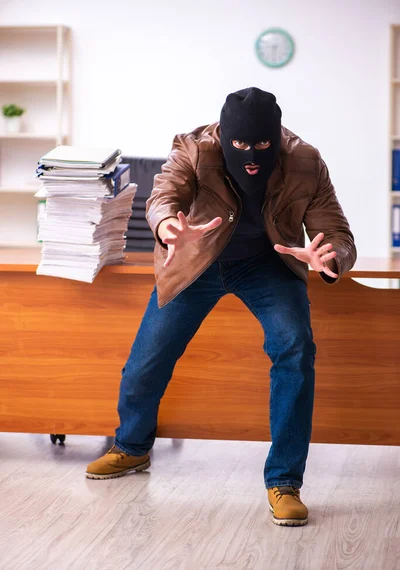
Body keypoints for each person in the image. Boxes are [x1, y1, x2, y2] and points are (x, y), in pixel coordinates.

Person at [86, 87, 356, 527]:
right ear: (223, 136)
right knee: (148, 357)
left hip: (268, 264)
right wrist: (169, 225)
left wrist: (331, 257)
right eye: (241, 146)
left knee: (296, 349)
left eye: (264, 146)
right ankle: (131, 448)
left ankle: (284, 481)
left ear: (278, 137)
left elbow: (337, 231)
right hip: (197, 262)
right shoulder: (194, 148)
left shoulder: (305, 160)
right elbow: (162, 197)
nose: (252, 155)